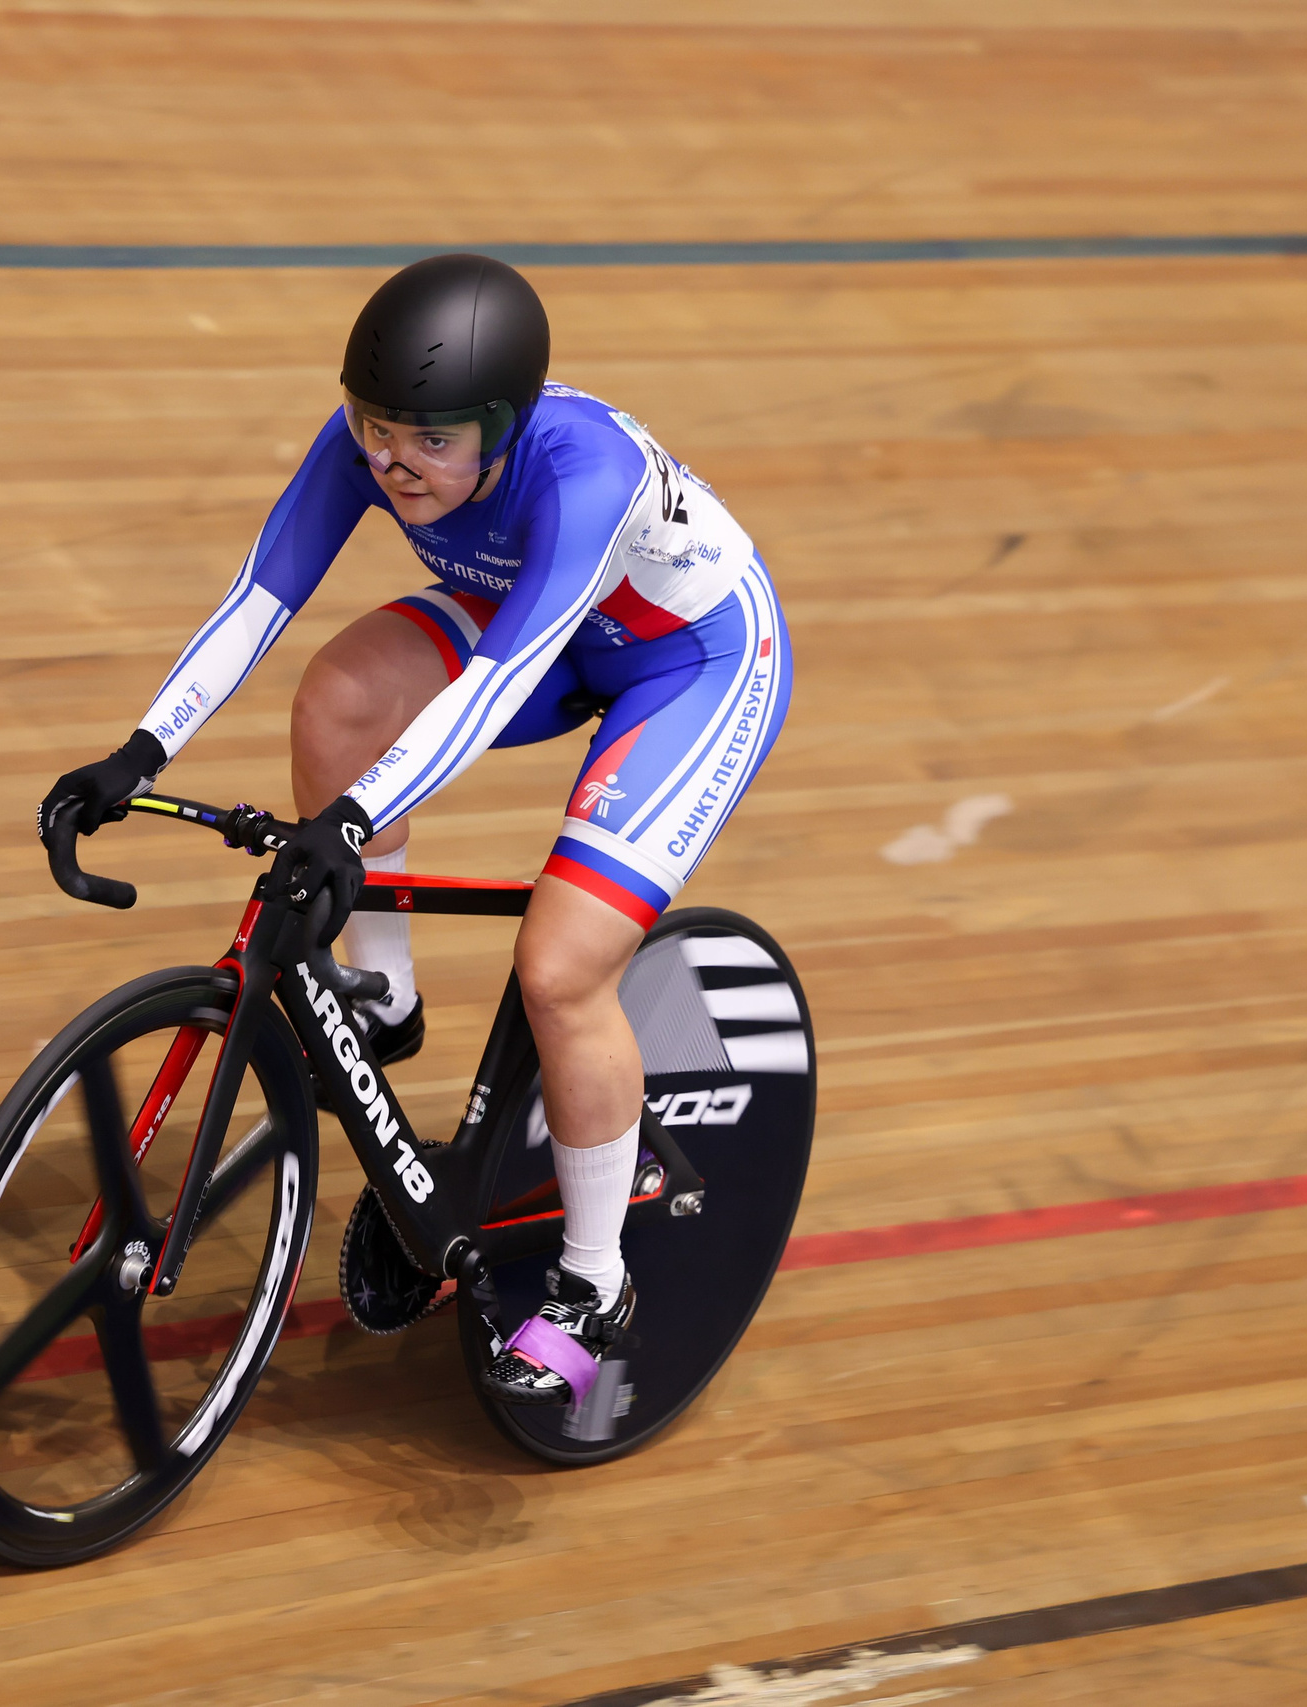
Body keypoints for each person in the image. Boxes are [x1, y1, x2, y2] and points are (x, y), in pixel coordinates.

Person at [39, 254, 792, 1406]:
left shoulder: (583, 475)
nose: (392, 463)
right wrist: (139, 753)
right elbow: (260, 595)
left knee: (560, 970)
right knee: (338, 697)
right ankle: (384, 995)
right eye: (374, 427)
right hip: (538, 619)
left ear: (502, 426)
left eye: (430, 442)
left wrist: (348, 822)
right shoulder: (373, 444)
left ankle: (595, 1280)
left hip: (685, 663)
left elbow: (494, 684)